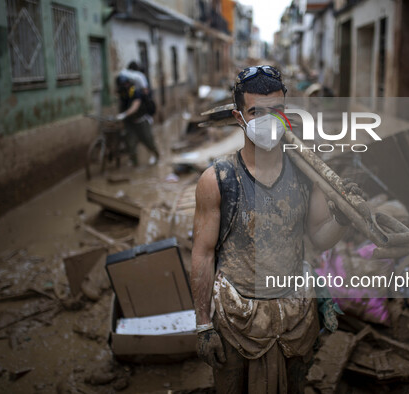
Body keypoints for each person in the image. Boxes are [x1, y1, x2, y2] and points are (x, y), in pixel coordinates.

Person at [190, 65, 357, 393]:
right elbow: (203, 253)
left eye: (276, 111)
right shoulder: (218, 180)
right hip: (236, 319)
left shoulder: (307, 172)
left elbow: (320, 238)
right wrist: (202, 325)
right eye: (257, 112)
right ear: (240, 118)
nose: (269, 121)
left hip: (295, 319)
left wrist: (343, 219)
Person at [115, 73, 160, 166]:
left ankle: (156, 156)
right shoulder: (122, 94)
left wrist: (124, 114)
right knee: (130, 142)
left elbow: (135, 106)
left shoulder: (135, 92)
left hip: (141, 121)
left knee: (148, 140)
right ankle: (134, 162)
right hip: (129, 122)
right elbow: (121, 105)